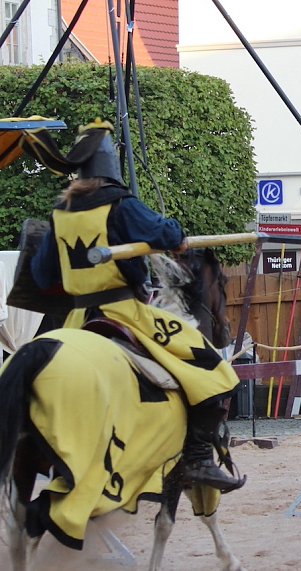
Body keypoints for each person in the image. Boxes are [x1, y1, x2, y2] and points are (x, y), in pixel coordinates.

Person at [29, 121, 244, 492]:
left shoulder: (60, 214)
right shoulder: (119, 203)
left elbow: (42, 274)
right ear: (111, 167)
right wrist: (175, 238)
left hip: (74, 318)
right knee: (212, 368)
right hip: (124, 311)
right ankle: (195, 459)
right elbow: (167, 234)